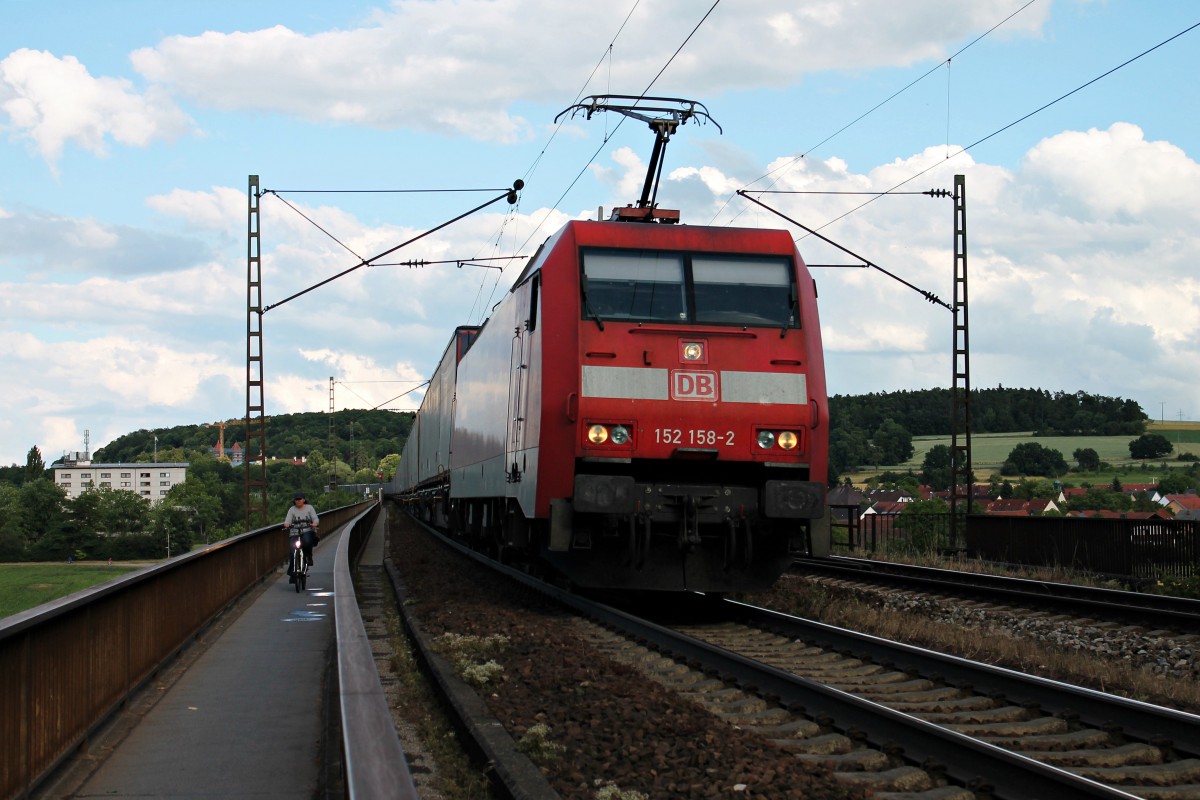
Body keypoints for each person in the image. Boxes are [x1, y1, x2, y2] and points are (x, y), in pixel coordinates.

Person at [283, 491, 319, 576]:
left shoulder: (309, 508)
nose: (298, 501)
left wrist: (315, 523)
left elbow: (315, 518)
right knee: (293, 551)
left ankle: (308, 556)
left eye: (300, 499)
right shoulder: (292, 509)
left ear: (304, 500)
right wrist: (287, 524)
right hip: (295, 532)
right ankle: (292, 572)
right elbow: (287, 520)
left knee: (307, 541)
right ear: (294, 501)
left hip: (307, 530)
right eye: (296, 499)